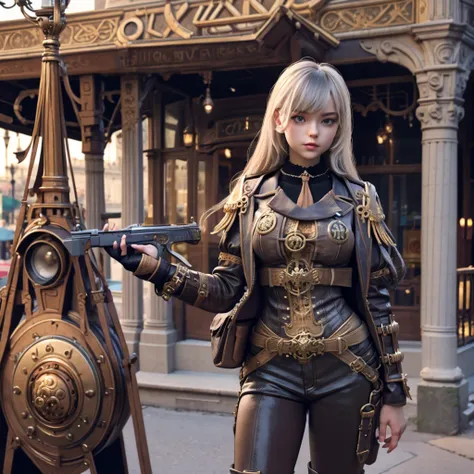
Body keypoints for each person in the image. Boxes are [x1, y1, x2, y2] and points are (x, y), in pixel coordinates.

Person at [104, 59, 410, 474]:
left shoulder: (360, 199)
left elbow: (377, 300)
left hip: (349, 368)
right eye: (301, 118)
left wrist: (394, 395)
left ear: (340, 126)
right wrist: (157, 268)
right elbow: (227, 290)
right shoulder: (248, 197)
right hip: (269, 370)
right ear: (280, 118)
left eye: (327, 120)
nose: (314, 132)